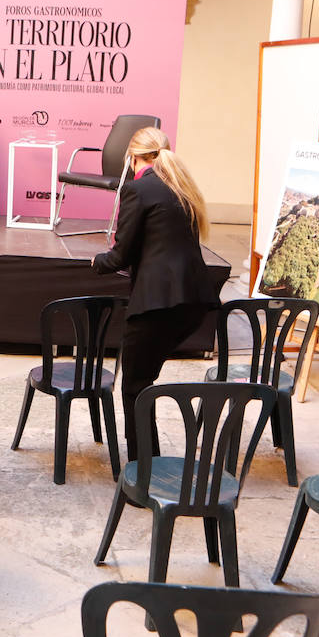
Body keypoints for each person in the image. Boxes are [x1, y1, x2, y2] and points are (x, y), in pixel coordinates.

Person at [92, 125, 221, 462]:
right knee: (144, 379)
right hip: (192, 301)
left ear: (132, 157)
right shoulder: (181, 186)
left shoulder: (138, 189)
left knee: (134, 386)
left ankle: (142, 474)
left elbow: (121, 255)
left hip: (159, 303)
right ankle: (149, 460)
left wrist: (97, 262)